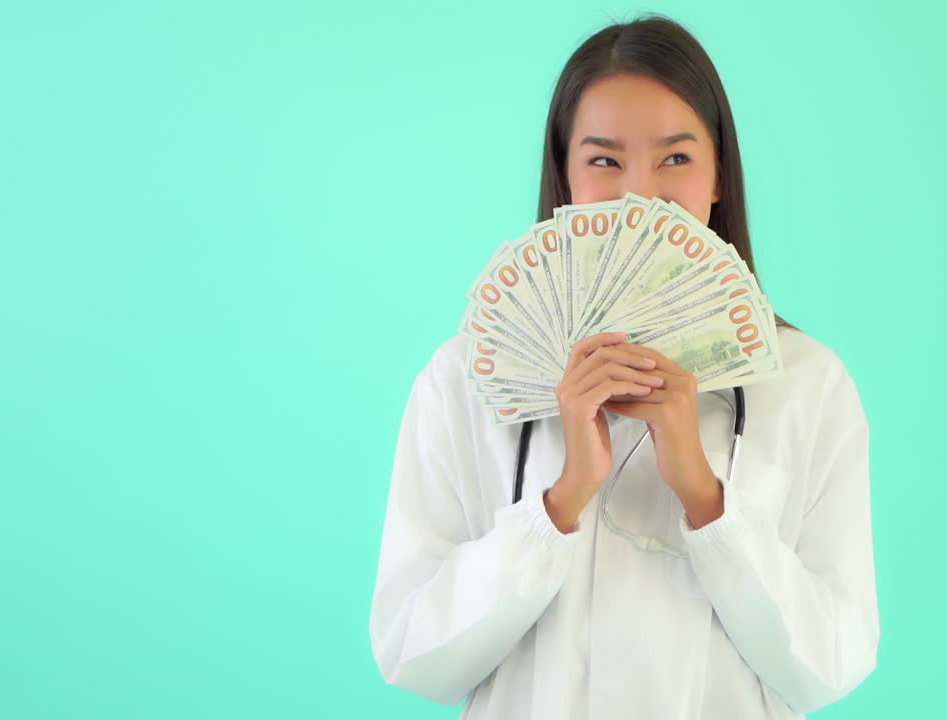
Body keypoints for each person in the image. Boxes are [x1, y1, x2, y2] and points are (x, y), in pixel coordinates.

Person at [368, 13, 879, 719]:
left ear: (719, 175)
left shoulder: (806, 384)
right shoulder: (467, 380)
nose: (642, 194)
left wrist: (705, 495)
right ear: (566, 179)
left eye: (676, 158)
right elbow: (410, 652)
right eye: (605, 160)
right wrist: (561, 501)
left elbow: (833, 664)